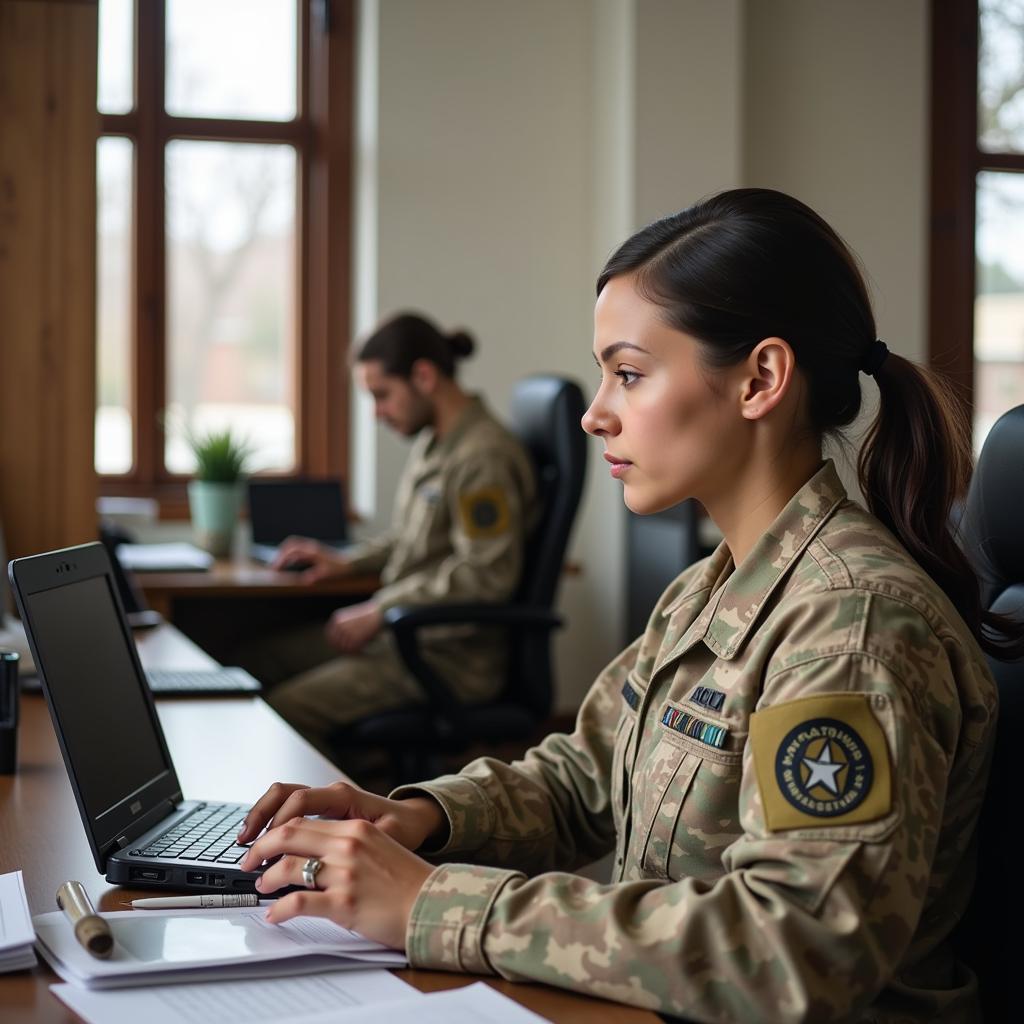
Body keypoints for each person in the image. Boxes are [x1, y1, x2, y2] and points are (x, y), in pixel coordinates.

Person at [235, 190, 1011, 1022]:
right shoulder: (709, 587)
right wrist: (419, 817)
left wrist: (438, 906)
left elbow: (798, 949)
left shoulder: (850, 629)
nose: (593, 413)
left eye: (629, 373)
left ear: (760, 379)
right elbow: (585, 775)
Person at [254, 312, 537, 758]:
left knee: (284, 710)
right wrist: (345, 561)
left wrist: (381, 609)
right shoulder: (436, 442)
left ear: (423, 376)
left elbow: (485, 573)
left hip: (445, 659)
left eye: (382, 395)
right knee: (256, 660)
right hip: (405, 641)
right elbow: (410, 540)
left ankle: (339, 815)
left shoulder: (482, 457)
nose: (377, 413)